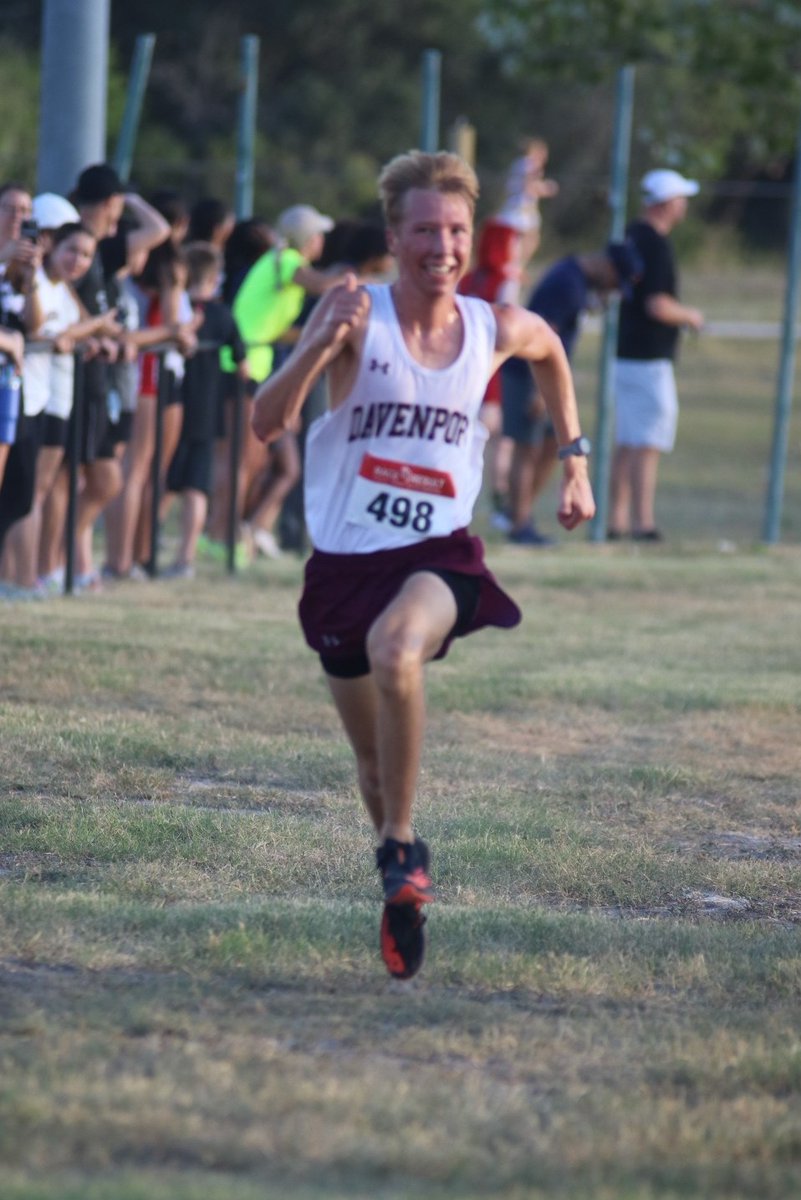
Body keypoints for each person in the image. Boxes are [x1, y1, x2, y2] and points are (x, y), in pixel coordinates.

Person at [251, 150, 595, 981]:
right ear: (394, 237)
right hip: (342, 562)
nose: (440, 246)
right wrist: (316, 345)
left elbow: (548, 350)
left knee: (398, 650)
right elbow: (268, 422)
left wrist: (575, 458)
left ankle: (404, 847)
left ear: (469, 238)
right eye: (423, 231)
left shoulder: (490, 324)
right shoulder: (353, 315)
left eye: (454, 230)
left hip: (437, 555)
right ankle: (393, 871)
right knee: (369, 763)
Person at [503, 239, 643, 546]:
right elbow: (540, 337)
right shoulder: (567, 284)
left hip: (543, 378)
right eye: (615, 282)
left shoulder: (575, 279)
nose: (612, 291)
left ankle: (520, 513)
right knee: (526, 446)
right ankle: (517, 523)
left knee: (555, 442)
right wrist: (540, 391)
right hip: (526, 374)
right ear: (606, 267)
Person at [609, 168, 704, 541]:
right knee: (647, 442)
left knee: (629, 440)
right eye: (680, 199)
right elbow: (657, 304)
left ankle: (615, 521)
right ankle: (642, 523)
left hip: (627, 352)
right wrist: (691, 316)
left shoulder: (632, 234)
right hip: (649, 357)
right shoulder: (657, 244)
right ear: (666, 204)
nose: (684, 206)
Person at [162, 242, 246, 578]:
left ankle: (144, 547)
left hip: (173, 404)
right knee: (197, 485)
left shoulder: (176, 311)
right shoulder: (223, 316)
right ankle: (185, 558)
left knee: (164, 480)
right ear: (215, 277)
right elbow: (243, 364)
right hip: (208, 410)